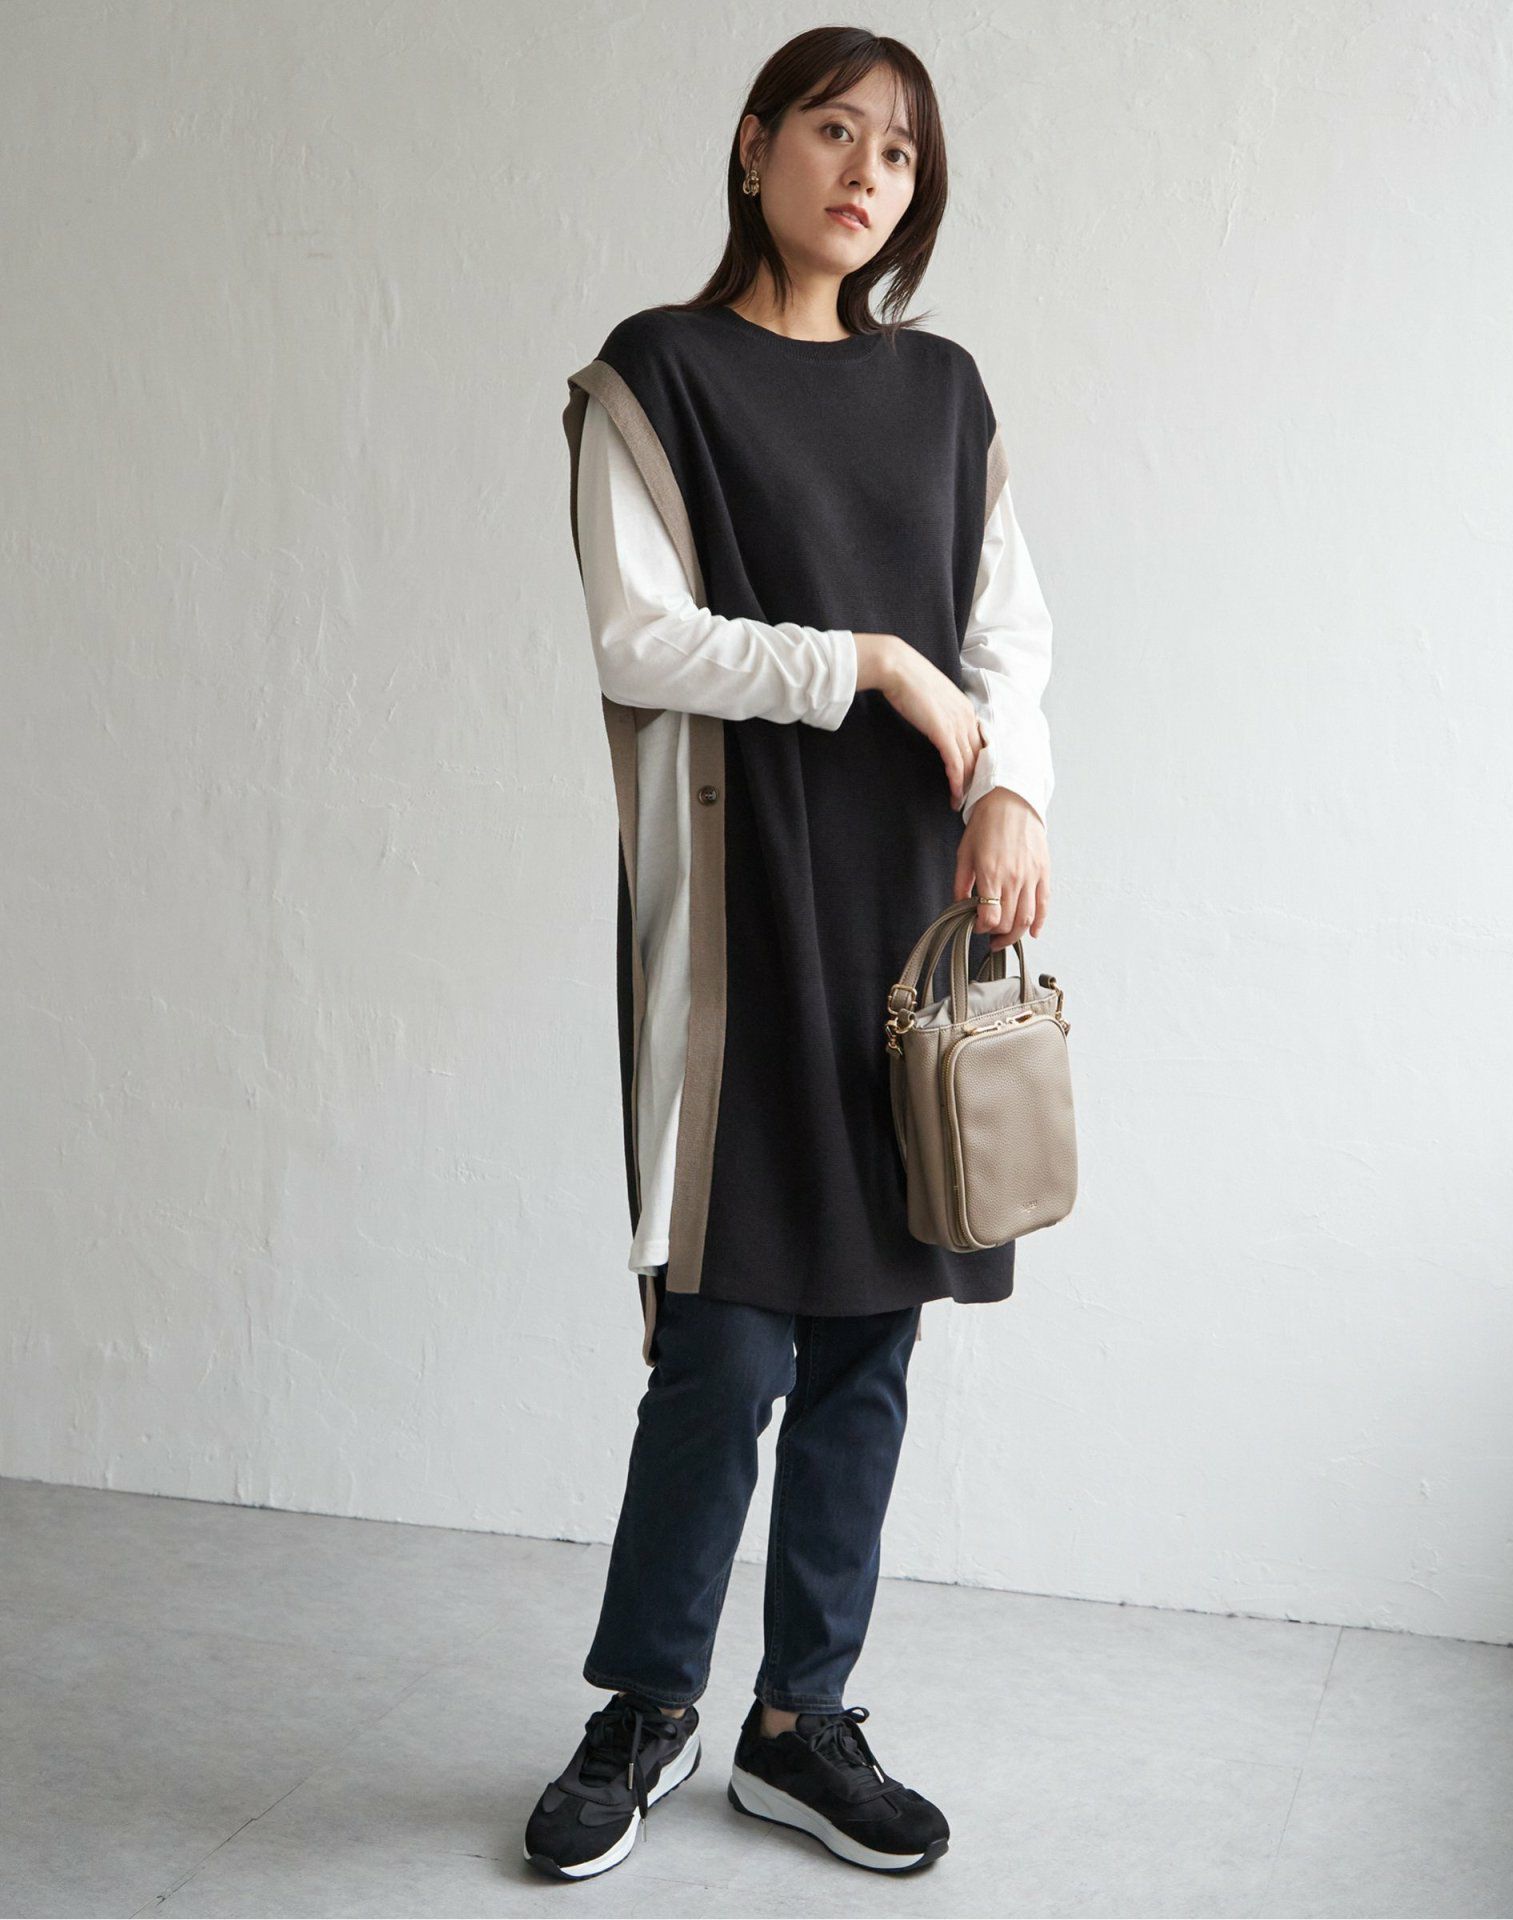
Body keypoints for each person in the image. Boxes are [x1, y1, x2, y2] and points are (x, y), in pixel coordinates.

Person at [524, 25, 1055, 1881]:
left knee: (867, 1351)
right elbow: (637, 636)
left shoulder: (945, 393)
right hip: (748, 919)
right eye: (835, 132)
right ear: (754, 145)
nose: (865, 175)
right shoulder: (656, 376)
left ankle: (797, 1720)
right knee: (723, 1347)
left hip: (905, 913)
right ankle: (647, 1706)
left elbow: (1011, 636)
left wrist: (1014, 788)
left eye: (900, 156)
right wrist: (870, 664)